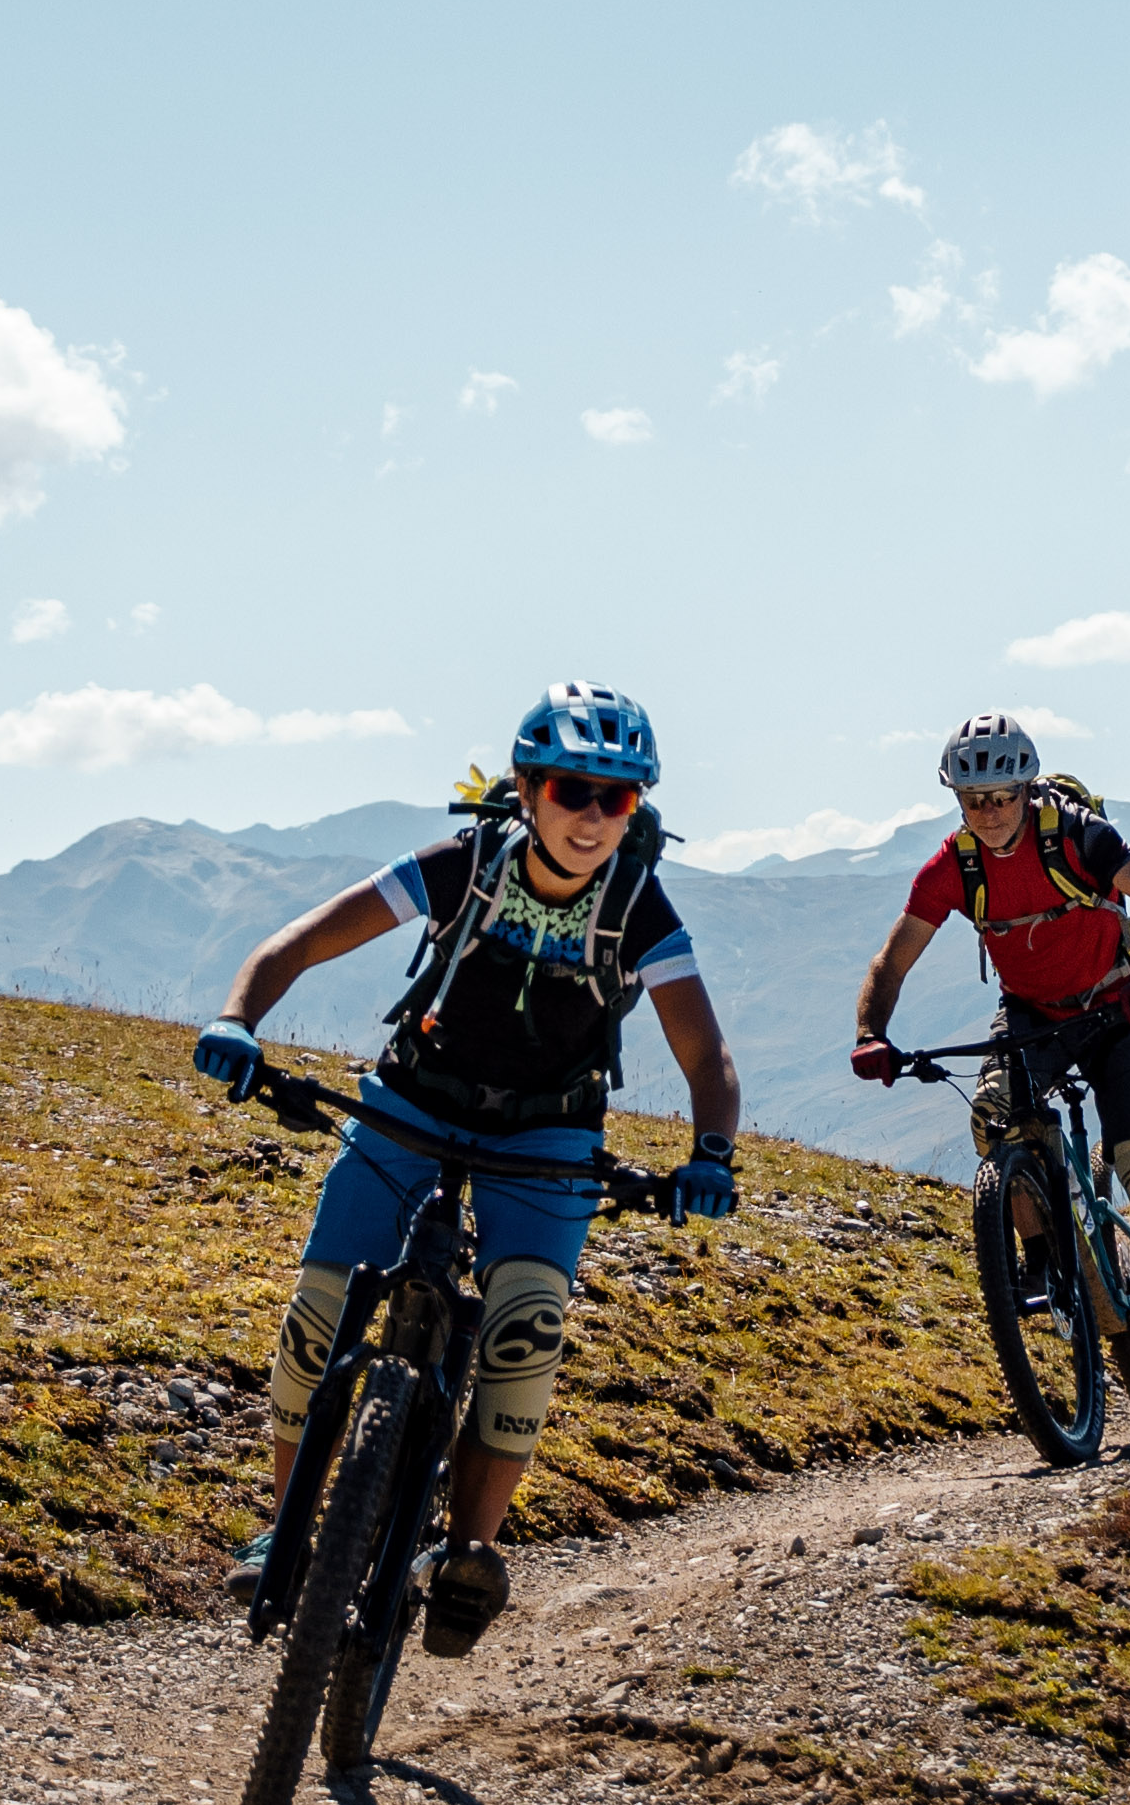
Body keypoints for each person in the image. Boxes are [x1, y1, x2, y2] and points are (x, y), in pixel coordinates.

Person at [190, 682, 741, 1660]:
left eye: (616, 799)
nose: (590, 815)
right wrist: (240, 1017)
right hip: (410, 1103)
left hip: (549, 1137)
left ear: (636, 811)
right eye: (573, 788)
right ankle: (288, 1523)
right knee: (322, 1307)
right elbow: (304, 941)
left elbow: (707, 1057)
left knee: (525, 1329)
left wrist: (710, 1153)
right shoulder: (465, 864)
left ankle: (469, 1552)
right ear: (528, 788)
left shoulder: (637, 906)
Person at [848, 710, 1130, 1351]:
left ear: (1025, 789)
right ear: (956, 797)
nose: (986, 813)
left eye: (999, 797)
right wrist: (869, 1032)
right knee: (994, 1119)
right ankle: (1039, 1253)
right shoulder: (951, 869)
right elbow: (892, 958)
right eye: (972, 799)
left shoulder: (1076, 836)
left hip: (1115, 1008)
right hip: (1032, 1015)